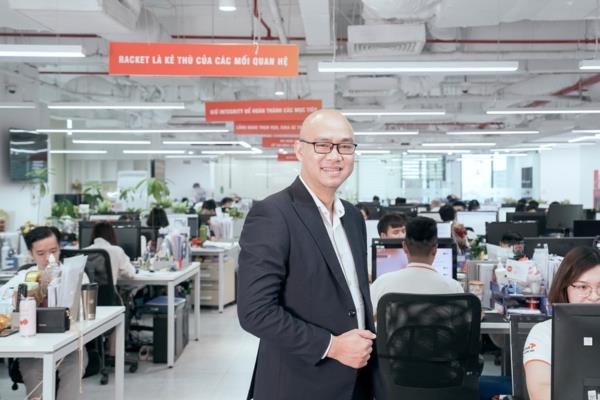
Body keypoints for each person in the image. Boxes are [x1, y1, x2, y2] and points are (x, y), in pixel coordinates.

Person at [237, 109, 378, 400]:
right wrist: (333, 346)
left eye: (345, 146)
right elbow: (255, 312)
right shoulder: (273, 214)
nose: (335, 156)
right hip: (298, 384)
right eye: (322, 145)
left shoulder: (353, 217)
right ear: (299, 150)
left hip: (356, 382)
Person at [0, 226, 87, 400]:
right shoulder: (24, 276)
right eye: (41, 253)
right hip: (33, 347)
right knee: (33, 371)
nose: (49, 258)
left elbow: (84, 313)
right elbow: (3, 300)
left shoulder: (75, 274)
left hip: (69, 344)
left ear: (60, 248)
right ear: (31, 254)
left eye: (53, 251)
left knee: (74, 366)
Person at [524, 247, 600, 400]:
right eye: (583, 287)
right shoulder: (544, 333)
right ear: (565, 288)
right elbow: (539, 394)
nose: (594, 296)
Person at [370, 217, 463, 311]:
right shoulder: (454, 288)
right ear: (435, 249)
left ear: (404, 247)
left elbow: (368, 316)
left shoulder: (381, 284)